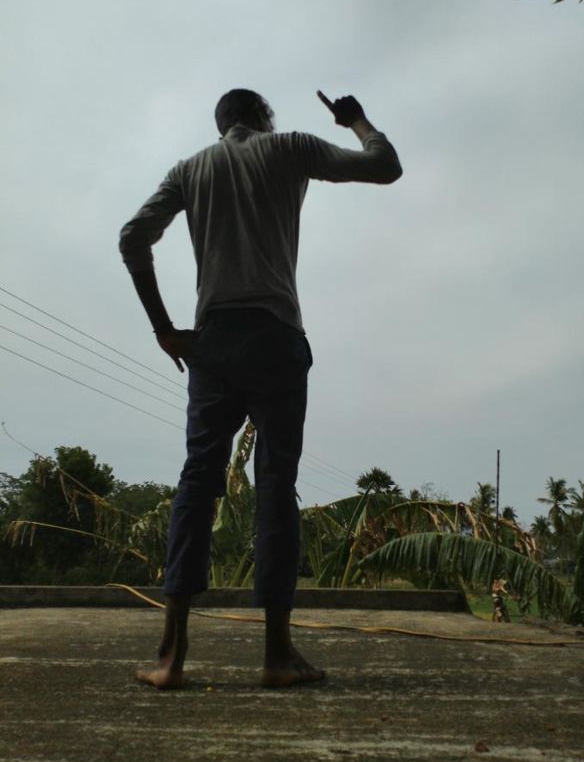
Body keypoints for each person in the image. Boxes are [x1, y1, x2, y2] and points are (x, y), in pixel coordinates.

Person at [119, 88, 402, 689]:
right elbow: (385, 166)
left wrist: (164, 329)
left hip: (214, 342)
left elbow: (132, 238)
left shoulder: (190, 170)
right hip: (276, 337)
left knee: (198, 481)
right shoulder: (289, 148)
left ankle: (171, 655)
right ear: (261, 119)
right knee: (275, 486)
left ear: (221, 125)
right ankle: (277, 655)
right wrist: (355, 120)